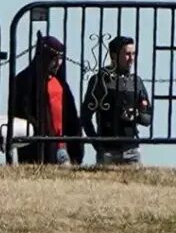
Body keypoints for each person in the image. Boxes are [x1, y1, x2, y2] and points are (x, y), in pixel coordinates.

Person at [9, 35, 83, 166]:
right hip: (35, 146)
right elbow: (20, 111)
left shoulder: (60, 82)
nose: (58, 63)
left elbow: (71, 116)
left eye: (60, 58)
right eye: (54, 58)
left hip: (62, 145)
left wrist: (76, 148)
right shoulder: (24, 80)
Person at [81, 36, 152, 166]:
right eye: (127, 54)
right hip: (107, 149)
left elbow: (148, 119)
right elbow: (85, 116)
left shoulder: (136, 82)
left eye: (133, 54)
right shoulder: (100, 81)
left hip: (131, 150)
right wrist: (97, 144)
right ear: (114, 56)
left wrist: (137, 115)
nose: (131, 59)